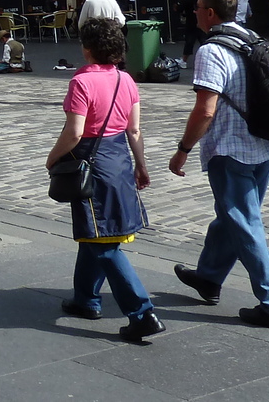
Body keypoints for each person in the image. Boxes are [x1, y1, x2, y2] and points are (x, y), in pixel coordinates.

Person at [169, 0, 269, 331]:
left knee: (245, 224)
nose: (193, 12)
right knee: (233, 216)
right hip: (264, 144)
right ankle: (209, 277)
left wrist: (183, 150)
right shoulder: (250, 37)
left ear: (210, 13)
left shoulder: (211, 51)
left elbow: (205, 110)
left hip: (230, 149)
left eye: (197, 7)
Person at [46, 18, 164, 343]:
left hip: (91, 163)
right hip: (120, 161)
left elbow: (75, 132)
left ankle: (142, 313)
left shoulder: (81, 82)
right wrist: (141, 165)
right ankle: (86, 299)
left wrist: (52, 157)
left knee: (105, 245)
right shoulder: (126, 80)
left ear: (86, 49)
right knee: (96, 235)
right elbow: (135, 130)